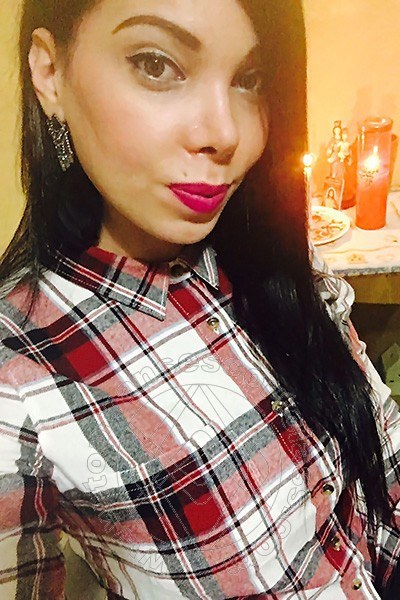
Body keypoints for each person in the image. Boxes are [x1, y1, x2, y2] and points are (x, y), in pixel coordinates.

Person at [0, 1, 399, 599]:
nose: (225, 133)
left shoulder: (270, 255)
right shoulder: (20, 374)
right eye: (156, 65)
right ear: (50, 72)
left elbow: (383, 451)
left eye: (249, 79)